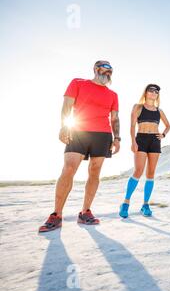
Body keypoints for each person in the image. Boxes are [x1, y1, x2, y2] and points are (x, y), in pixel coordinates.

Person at [38, 60, 120, 232]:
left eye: (110, 71)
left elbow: (114, 118)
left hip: (103, 134)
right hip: (78, 130)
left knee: (95, 171)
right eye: (104, 69)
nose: (107, 73)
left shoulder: (113, 94)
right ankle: (56, 214)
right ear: (95, 69)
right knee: (68, 169)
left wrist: (117, 138)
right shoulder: (78, 83)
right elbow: (67, 106)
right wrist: (64, 126)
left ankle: (85, 212)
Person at [119, 84, 170, 218]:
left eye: (156, 91)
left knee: (151, 173)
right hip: (141, 139)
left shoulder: (159, 111)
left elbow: (168, 126)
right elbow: (131, 126)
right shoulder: (138, 107)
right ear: (146, 93)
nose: (154, 93)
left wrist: (163, 135)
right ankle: (126, 202)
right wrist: (133, 141)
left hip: (155, 141)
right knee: (138, 171)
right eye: (151, 90)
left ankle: (145, 204)